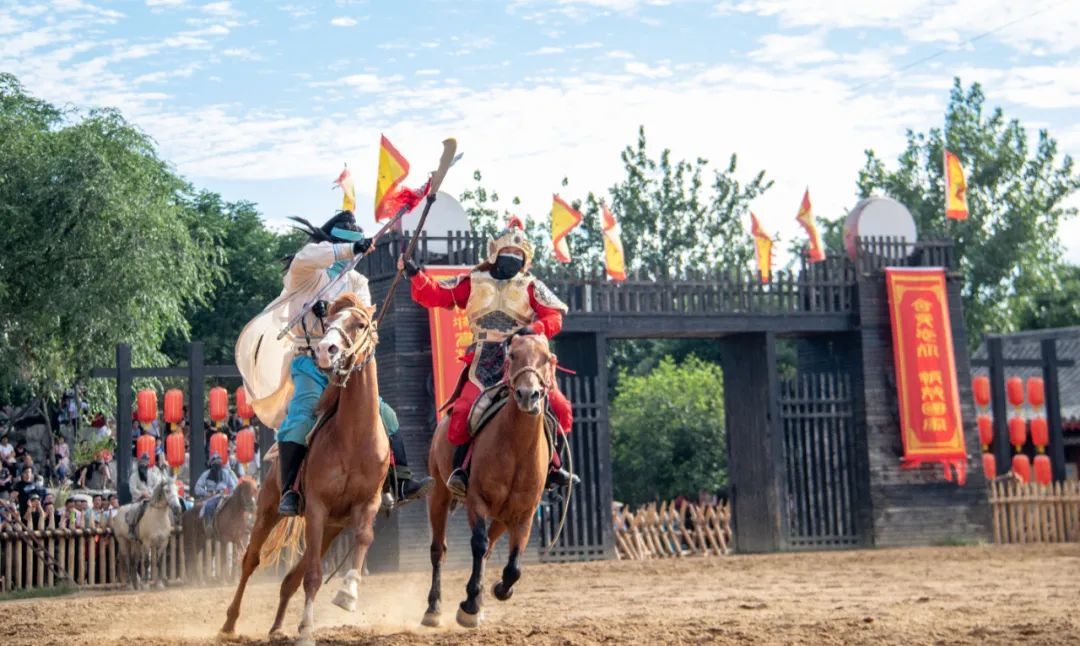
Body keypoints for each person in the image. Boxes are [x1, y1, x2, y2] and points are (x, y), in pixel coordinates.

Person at [236, 210, 433, 516]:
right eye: (344, 244)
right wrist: (350, 249)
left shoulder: (357, 281)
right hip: (309, 362)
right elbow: (308, 256)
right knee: (301, 418)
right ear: (332, 243)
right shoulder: (306, 273)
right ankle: (290, 491)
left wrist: (336, 311)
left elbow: (361, 315)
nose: (351, 254)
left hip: (345, 366)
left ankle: (400, 481)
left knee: (386, 414)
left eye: (355, 246)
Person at [404, 217, 576, 498]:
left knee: (560, 408)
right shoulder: (473, 281)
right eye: (508, 252)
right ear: (495, 252)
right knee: (462, 413)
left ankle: (554, 466)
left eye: (518, 254)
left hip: (524, 356)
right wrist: (415, 274)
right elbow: (437, 295)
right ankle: (461, 471)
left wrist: (534, 329)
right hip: (486, 357)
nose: (513, 257)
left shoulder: (531, 285)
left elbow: (554, 317)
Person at [127, 453, 164, 540]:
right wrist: (142, 493)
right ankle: (131, 529)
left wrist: (151, 492)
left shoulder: (152, 474)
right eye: (142, 463)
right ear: (139, 464)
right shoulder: (134, 476)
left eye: (145, 463)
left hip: (151, 498)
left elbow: (157, 484)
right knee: (133, 509)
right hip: (139, 500)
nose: (144, 465)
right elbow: (132, 489)